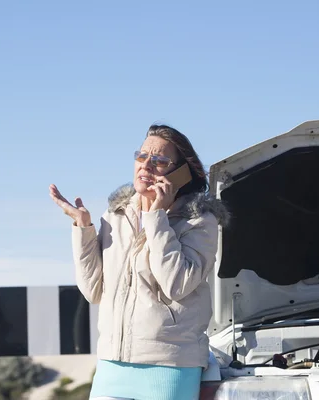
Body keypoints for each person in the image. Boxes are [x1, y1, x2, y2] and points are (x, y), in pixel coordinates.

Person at [49, 124, 230, 400]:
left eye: (159, 161)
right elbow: (92, 290)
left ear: (180, 174)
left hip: (170, 365)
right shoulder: (117, 215)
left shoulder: (200, 221)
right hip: (112, 363)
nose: (146, 165)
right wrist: (83, 228)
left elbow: (177, 284)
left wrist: (156, 218)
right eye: (141, 156)